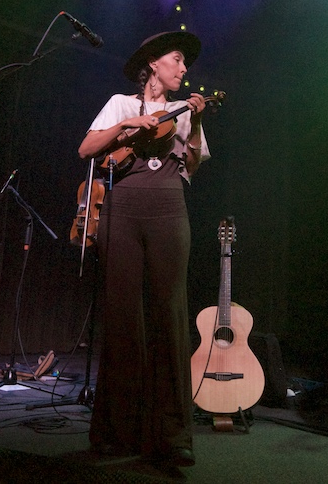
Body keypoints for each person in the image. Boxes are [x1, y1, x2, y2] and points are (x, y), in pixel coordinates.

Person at [78, 31, 209, 473]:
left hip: (169, 206)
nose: (184, 69)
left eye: (185, 63)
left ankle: (173, 437)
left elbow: (192, 168)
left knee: (170, 314)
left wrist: (197, 123)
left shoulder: (184, 110)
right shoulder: (120, 103)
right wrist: (127, 126)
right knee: (122, 316)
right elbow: (87, 149)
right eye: (177, 60)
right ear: (153, 63)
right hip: (123, 208)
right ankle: (117, 431)